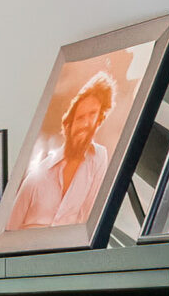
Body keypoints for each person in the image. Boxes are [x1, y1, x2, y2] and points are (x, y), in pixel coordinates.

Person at [7, 69, 118, 230]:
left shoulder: (99, 156)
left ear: (99, 118)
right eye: (80, 118)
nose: (86, 123)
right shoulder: (38, 174)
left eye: (92, 114)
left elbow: (89, 219)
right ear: (69, 124)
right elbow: (10, 231)